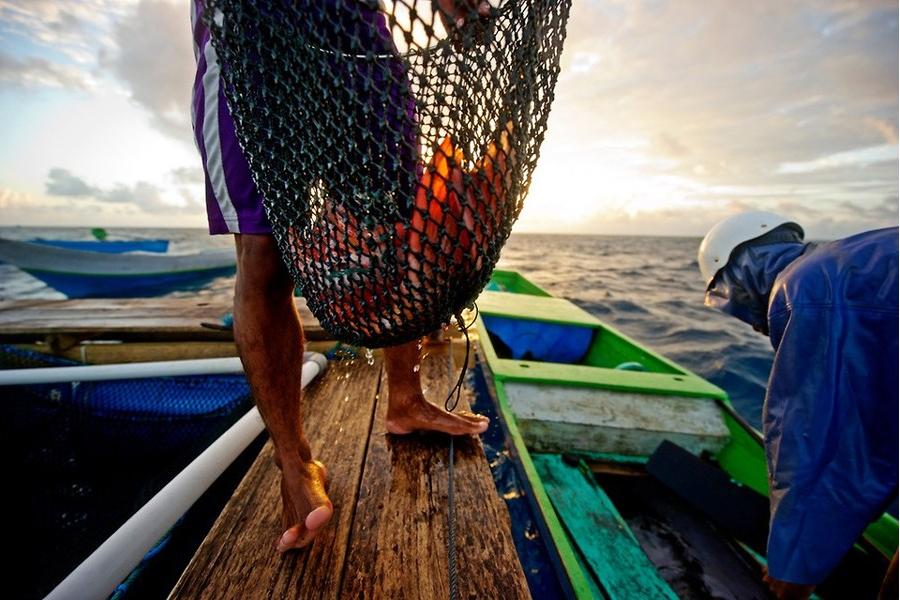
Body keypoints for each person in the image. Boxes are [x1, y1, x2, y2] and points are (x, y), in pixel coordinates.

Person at [190, 0, 492, 554]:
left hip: (354, 29)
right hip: (246, 40)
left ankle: (406, 398)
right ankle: (294, 460)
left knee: (400, 219)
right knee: (262, 254)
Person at [698, 211, 899, 599]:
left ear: (740, 276)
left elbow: (816, 443)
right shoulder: (853, 263)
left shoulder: (807, 290)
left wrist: (793, 566)